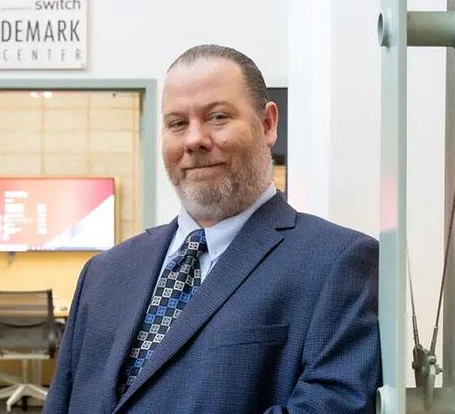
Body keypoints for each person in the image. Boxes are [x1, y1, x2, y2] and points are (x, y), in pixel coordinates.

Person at [43, 44, 381, 413]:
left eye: (218, 117)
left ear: (267, 124)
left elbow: (331, 406)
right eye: (177, 123)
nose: (194, 140)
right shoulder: (104, 273)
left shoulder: (337, 263)